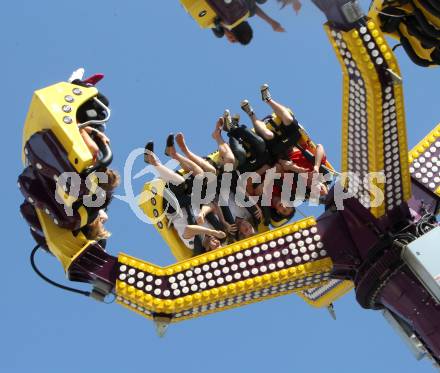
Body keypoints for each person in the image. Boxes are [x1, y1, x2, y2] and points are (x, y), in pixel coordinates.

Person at [144, 141, 226, 253]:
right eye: (220, 244)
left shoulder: (194, 245)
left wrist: (213, 232)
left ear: (208, 250)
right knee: (202, 176)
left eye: (216, 246)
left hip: (174, 207)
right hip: (191, 200)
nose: (217, 242)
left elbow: (189, 229)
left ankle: (153, 162)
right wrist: (203, 213)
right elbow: (211, 205)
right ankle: (173, 153)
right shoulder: (216, 229)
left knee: (180, 182)